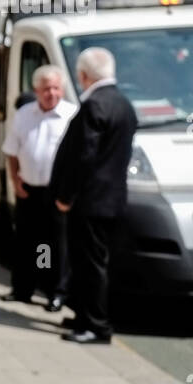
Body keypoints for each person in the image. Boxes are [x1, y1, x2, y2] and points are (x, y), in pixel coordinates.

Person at [50, 47, 137, 345]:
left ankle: (96, 326)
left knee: (91, 264)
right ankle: (83, 315)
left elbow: (83, 158)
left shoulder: (94, 105)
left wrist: (66, 195)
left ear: (83, 76)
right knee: (90, 261)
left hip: (90, 201)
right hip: (111, 198)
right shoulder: (124, 104)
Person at [1, 65, 76, 311]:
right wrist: (15, 180)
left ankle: (57, 292)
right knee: (26, 242)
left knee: (55, 244)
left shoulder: (71, 115)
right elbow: (11, 150)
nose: (51, 94)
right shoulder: (24, 114)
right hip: (29, 189)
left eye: (56, 88)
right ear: (36, 90)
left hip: (56, 192)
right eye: (46, 89)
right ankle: (22, 289)